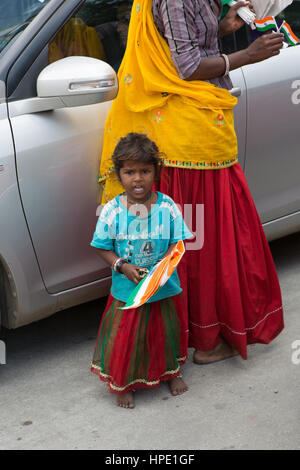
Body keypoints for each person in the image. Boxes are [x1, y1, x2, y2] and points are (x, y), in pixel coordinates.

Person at [98, 0, 284, 363]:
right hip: (189, 133)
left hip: (201, 125)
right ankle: (207, 338)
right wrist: (247, 54)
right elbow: (187, 66)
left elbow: (185, 45)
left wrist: (223, 28)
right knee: (202, 241)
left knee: (207, 239)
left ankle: (204, 333)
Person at [90, 133, 193, 409]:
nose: (138, 178)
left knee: (164, 332)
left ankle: (170, 372)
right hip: (128, 291)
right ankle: (124, 383)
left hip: (162, 287)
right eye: (130, 172)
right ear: (118, 174)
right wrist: (121, 266)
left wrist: (164, 268)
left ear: (156, 172)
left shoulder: (167, 206)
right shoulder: (112, 211)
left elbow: (178, 243)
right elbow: (101, 247)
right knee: (128, 337)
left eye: (145, 171)